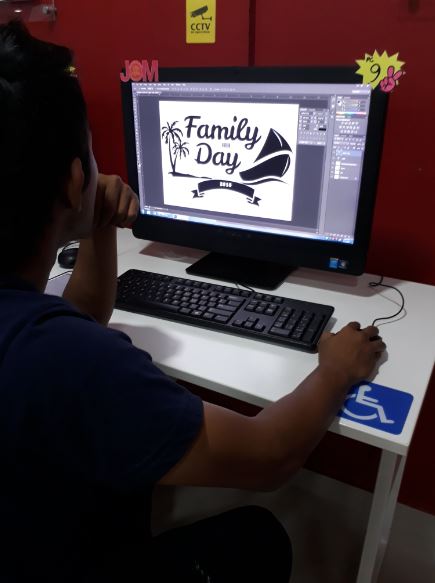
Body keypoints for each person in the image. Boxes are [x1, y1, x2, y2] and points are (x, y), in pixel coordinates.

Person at [0, 21, 386, 583]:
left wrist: (98, 224)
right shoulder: (73, 361)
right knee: (260, 536)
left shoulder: (37, 336)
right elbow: (271, 455)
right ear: (73, 180)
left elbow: (79, 317)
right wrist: (334, 371)